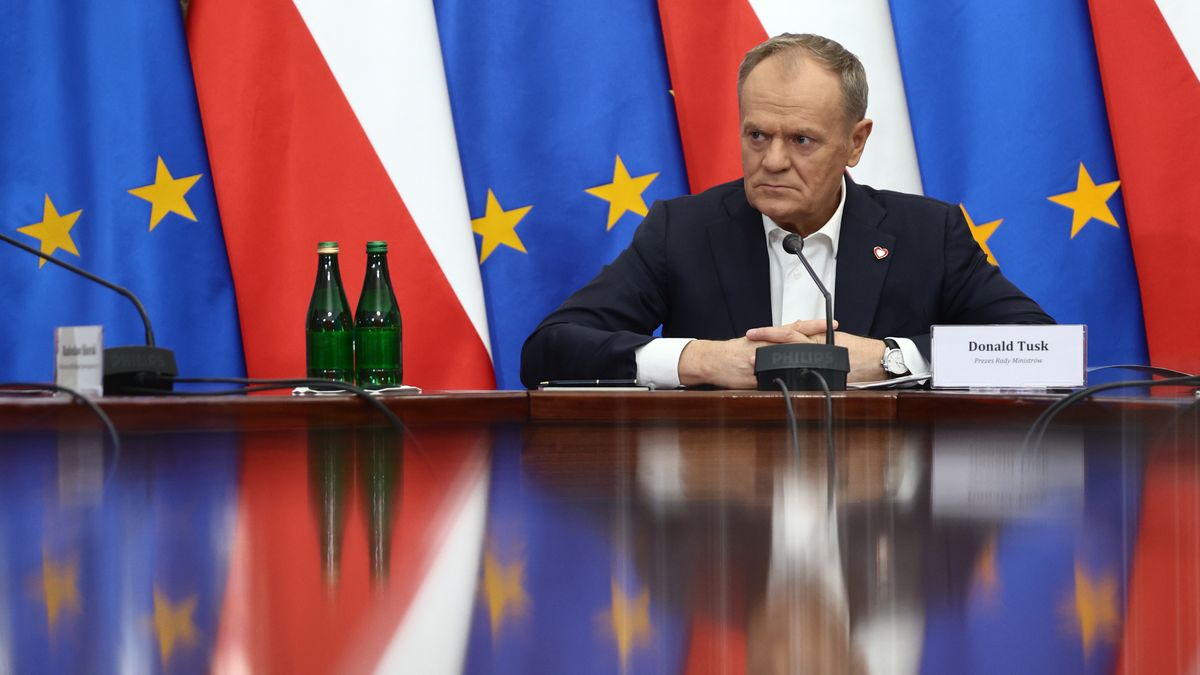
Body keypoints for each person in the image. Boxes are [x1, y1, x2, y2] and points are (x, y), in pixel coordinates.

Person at [521, 33, 1052, 390]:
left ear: (855, 143)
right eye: (757, 135)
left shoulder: (927, 233)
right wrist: (700, 359)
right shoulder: (681, 230)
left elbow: (1042, 352)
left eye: (801, 139)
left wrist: (891, 359)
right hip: (723, 522)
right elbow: (548, 352)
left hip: (883, 518)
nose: (772, 161)